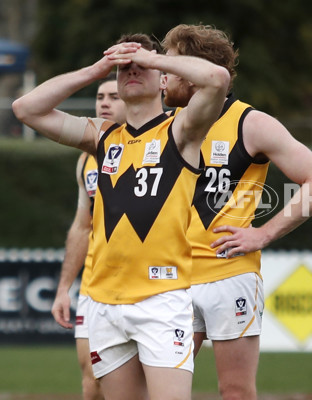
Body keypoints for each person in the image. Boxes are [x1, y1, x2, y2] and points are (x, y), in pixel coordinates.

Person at [13, 33, 230, 400]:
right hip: (104, 302)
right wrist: (96, 69)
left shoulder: (181, 130)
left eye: (140, 67)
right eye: (124, 69)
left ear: (162, 79)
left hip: (160, 299)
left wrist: (152, 58)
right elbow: (26, 109)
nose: (132, 71)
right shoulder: (103, 135)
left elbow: (218, 79)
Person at [160, 24, 312, 400]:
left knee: (236, 391)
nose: (161, 76)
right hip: (170, 278)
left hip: (229, 276)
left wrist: (264, 233)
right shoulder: (164, 126)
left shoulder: (250, 123)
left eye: (170, 66)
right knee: (158, 391)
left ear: (197, 73)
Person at [51, 72, 126, 400]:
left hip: (152, 283)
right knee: (93, 381)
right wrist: (64, 287)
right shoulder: (87, 159)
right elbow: (83, 226)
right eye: (99, 97)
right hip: (96, 285)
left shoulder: (164, 146)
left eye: (114, 96)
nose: (105, 103)